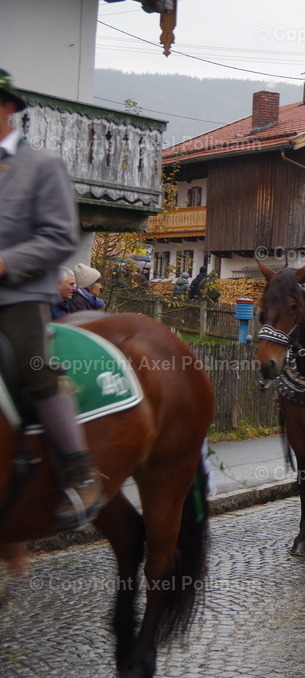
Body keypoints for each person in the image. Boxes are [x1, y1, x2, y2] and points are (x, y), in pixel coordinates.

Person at [0, 68, 106, 531]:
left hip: (18, 293)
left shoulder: (41, 167)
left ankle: (80, 469)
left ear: (7, 109)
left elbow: (61, 236)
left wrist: (5, 263)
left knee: (33, 366)